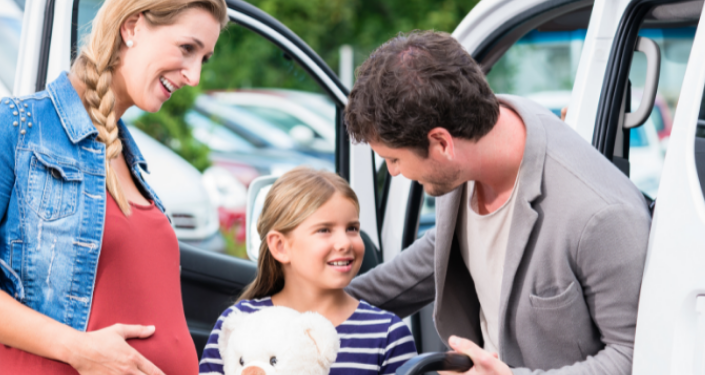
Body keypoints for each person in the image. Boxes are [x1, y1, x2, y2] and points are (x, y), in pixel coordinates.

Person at [0, 0, 227, 374]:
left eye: (203, 59)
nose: (193, 76)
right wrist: (80, 350)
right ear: (132, 27)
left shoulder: (127, 158)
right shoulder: (16, 128)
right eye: (187, 48)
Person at [343, 31, 650, 375]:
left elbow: (637, 356)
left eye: (394, 159)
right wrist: (312, 308)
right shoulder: (471, 142)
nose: (393, 172)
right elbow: (445, 247)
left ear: (441, 143)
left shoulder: (599, 213)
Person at [199, 167, 417, 375]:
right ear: (280, 246)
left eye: (352, 228)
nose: (344, 243)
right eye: (324, 230)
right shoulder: (239, 323)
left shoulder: (387, 334)